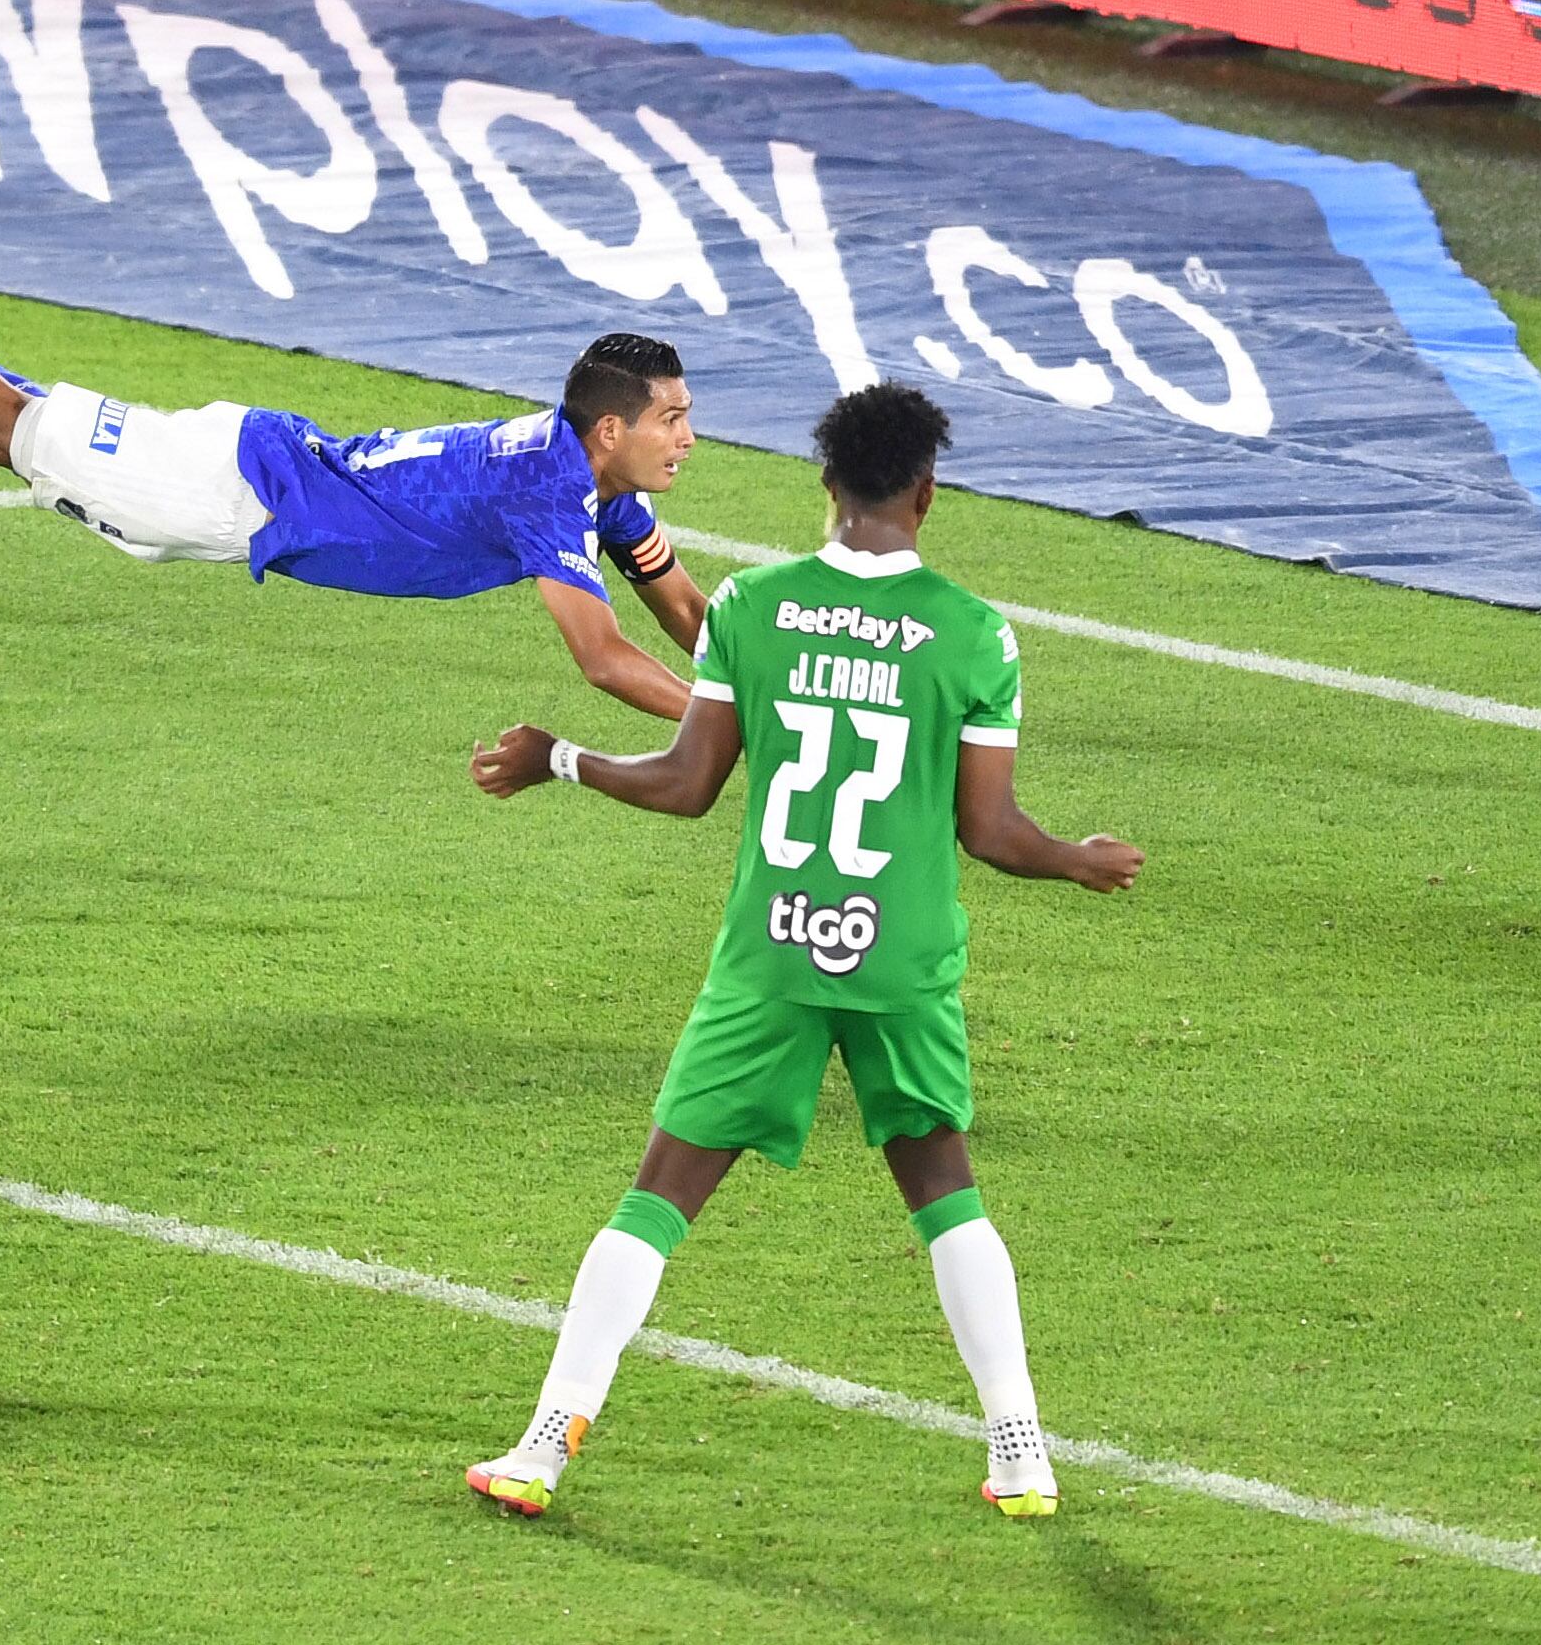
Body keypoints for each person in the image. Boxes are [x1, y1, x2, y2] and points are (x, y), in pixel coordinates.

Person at [460, 381, 1142, 1520]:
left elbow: (686, 787)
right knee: (947, 1195)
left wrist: (559, 759)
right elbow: (990, 830)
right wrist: (1079, 858)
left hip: (772, 952)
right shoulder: (976, 633)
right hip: (901, 962)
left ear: (826, 484)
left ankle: (543, 1443)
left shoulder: (752, 607)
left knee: (656, 1201)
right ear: (926, 493)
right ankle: (1020, 1450)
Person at [0, 228, 706, 719]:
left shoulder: (597, 486)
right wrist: (726, 731)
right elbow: (603, 656)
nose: (688, 440)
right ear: (608, 429)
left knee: (29, 431)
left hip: (258, 472)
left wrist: (780, 688)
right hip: (236, 491)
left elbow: (683, 609)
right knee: (5, 432)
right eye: (671, 419)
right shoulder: (551, 490)